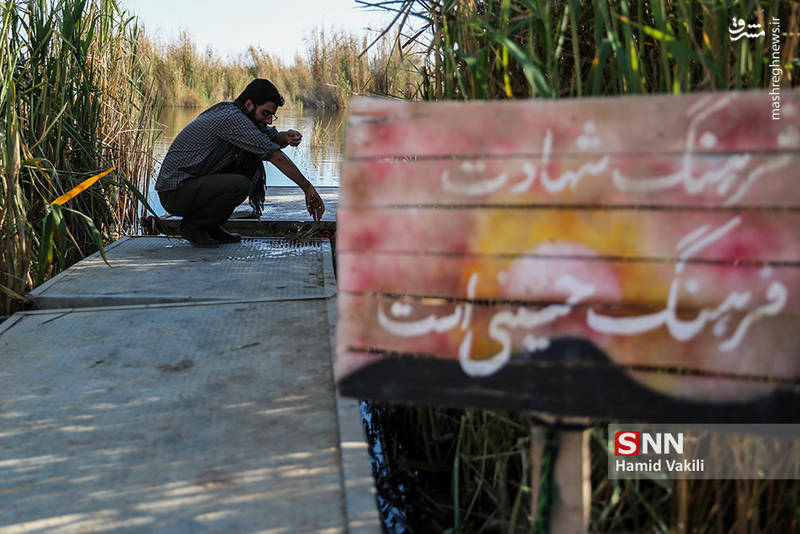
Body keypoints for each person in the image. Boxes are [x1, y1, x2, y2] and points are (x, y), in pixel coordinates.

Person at [155, 78, 325, 248]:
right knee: (240, 183)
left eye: (271, 116)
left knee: (241, 173)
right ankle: (193, 227)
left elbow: (271, 137)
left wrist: (286, 137)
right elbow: (275, 156)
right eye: (265, 113)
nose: (268, 120)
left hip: (188, 187)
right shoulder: (232, 119)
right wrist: (307, 187)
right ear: (250, 104)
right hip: (174, 192)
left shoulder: (238, 113)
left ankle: (212, 227)